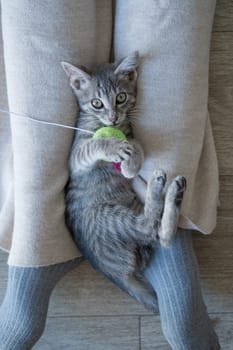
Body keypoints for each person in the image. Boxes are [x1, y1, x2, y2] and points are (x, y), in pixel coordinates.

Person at [0, 1, 220, 349]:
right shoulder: (91, 111)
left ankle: (41, 243)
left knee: (161, 85)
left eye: (117, 103)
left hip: (119, 202)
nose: (112, 116)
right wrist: (104, 148)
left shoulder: (118, 104)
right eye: (103, 107)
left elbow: (132, 148)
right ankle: (40, 238)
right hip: (99, 210)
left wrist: (130, 156)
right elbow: (80, 157)